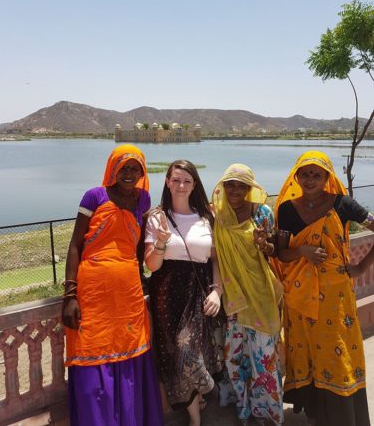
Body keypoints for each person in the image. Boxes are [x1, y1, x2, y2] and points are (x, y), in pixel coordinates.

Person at [62, 144, 164, 426]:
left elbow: (136, 245)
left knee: (129, 352)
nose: (129, 173)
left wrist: (143, 278)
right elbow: (75, 245)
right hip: (92, 292)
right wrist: (70, 295)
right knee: (91, 356)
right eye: (123, 167)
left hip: (128, 293)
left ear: (142, 172)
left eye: (135, 168)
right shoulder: (95, 196)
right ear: (113, 169)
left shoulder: (143, 199)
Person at [275, 150, 374, 426]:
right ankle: (316, 414)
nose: (310, 180)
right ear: (296, 177)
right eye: (304, 174)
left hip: (335, 298)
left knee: (338, 354)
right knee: (306, 353)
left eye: (316, 174)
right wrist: (302, 250)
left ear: (327, 178)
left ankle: (344, 417)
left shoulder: (343, 204)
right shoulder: (287, 209)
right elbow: (282, 254)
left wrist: (362, 268)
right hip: (299, 298)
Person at [144, 160, 222, 426]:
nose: (180, 185)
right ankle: (195, 416)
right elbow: (152, 265)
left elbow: (215, 260)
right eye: (175, 180)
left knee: (188, 351)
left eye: (187, 181)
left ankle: (210, 391)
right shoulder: (157, 217)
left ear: (194, 184)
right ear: (167, 182)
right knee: (174, 356)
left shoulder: (206, 216)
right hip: (166, 294)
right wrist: (163, 241)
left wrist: (217, 291)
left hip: (198, 293)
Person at [212, 163, 284, 426]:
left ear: (250, 188)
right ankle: (243, 407)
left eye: (241, 185)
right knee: (235, 356)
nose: (235, 190)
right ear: (223, 186)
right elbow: (214, 256)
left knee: (263, 357)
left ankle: (267, 412)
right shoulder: (217, 215)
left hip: (261, 293)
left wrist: (264, 244)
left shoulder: (263, 212)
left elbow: (274, 251)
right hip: (234, 298)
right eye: (230, 184)